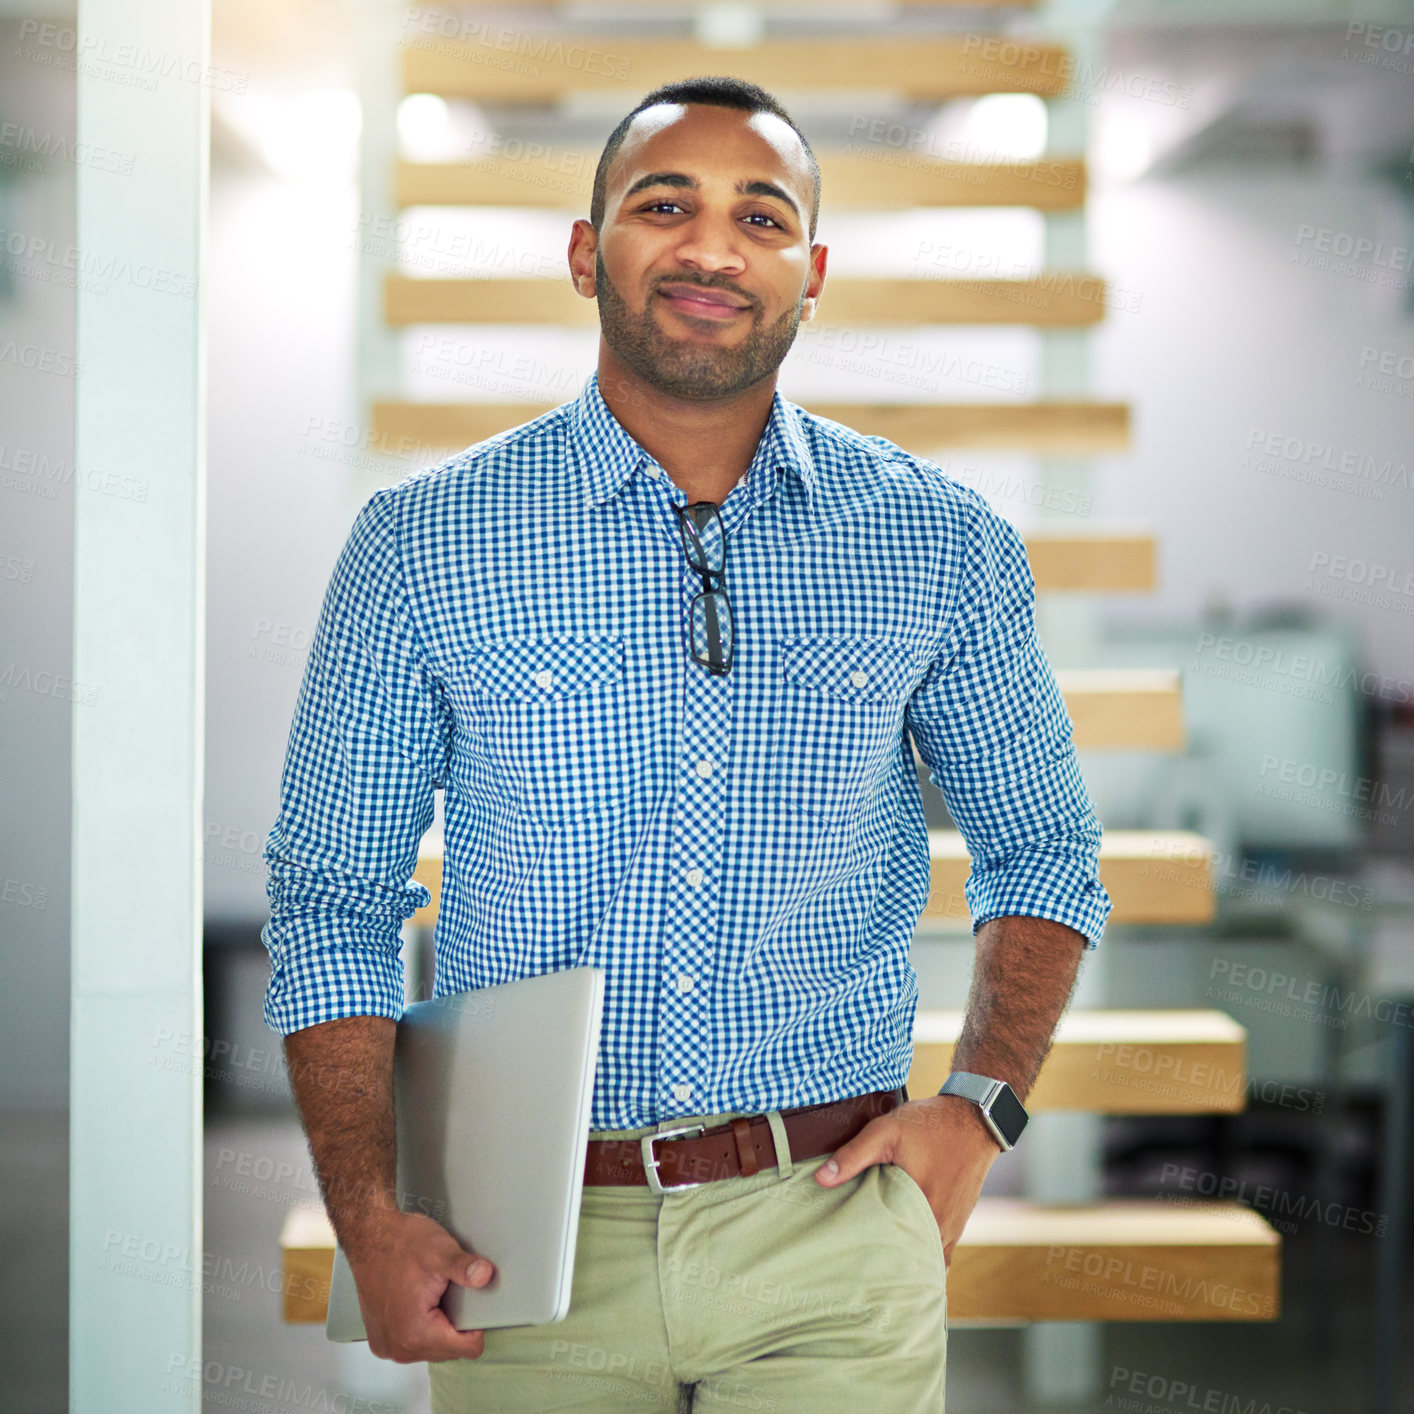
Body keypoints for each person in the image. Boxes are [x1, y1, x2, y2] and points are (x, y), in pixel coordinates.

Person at [261, 74, 1113, 1413]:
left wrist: (982, 1105)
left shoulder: (938, 546)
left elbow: (1045, 850)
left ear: (811, 272)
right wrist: (368, 1211)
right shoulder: (421, 544)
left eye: (760, 218)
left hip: (831, 1230)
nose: (714, 249)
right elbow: (332, 895)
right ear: (585, 248)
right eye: (665, 205)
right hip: (520, 1243)